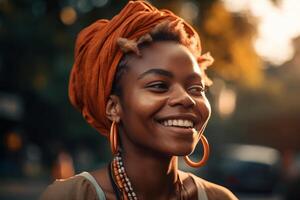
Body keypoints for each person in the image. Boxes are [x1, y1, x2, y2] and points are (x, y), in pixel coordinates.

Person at [40, 1, 238, 199]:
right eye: (159, 86)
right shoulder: (71, 196)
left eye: (196, 88)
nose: (186, 99)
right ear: (114, 107)